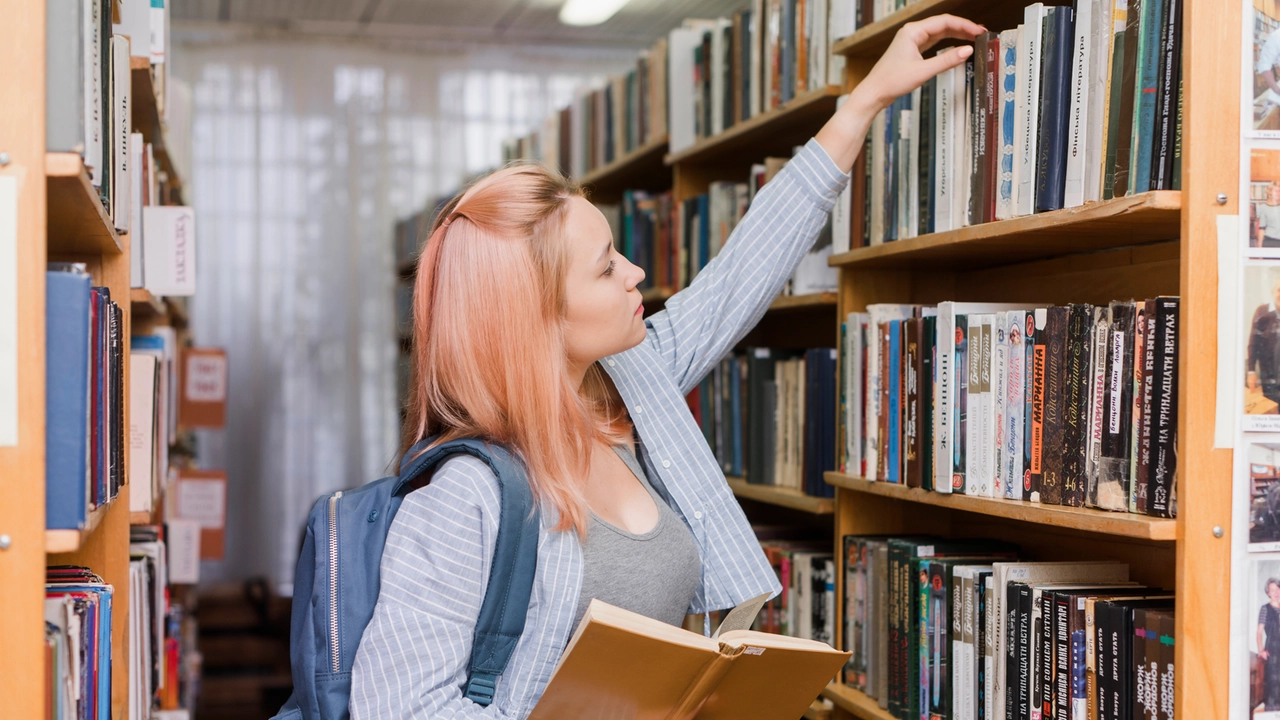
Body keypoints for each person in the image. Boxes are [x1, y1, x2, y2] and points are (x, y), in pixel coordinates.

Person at [349, 15, 984, 718]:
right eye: (605, 268)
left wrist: (861, 104)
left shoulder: (632, 387)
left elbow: (740, 275)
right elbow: (398, 706)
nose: (637, 273)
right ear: (536, 316)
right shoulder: (463, 497)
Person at [1250, 274, 1280, 410]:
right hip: (1268, 375)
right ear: (1273, 292)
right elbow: (1253, 343)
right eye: (1279, 290)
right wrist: (1251, 371)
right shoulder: (1262, 312)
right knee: (1271, 408)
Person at [1260, 578, 1280, 712]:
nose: (1276, 592)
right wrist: (1261, 649)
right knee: (1273, 683)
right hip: (1272, 650)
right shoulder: (1265, 609)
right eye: (1272, 590)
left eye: (1277, 588)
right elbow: (1259, 631)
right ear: (1268, 593)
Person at [1258, 181, 1280, 247]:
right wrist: (1259, 248)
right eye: (1276, 191)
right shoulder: (1263, 208)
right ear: (1270, 192)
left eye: (1279, 191)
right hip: (1269, 242)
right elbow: (1262, 228)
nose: (1278, 193)